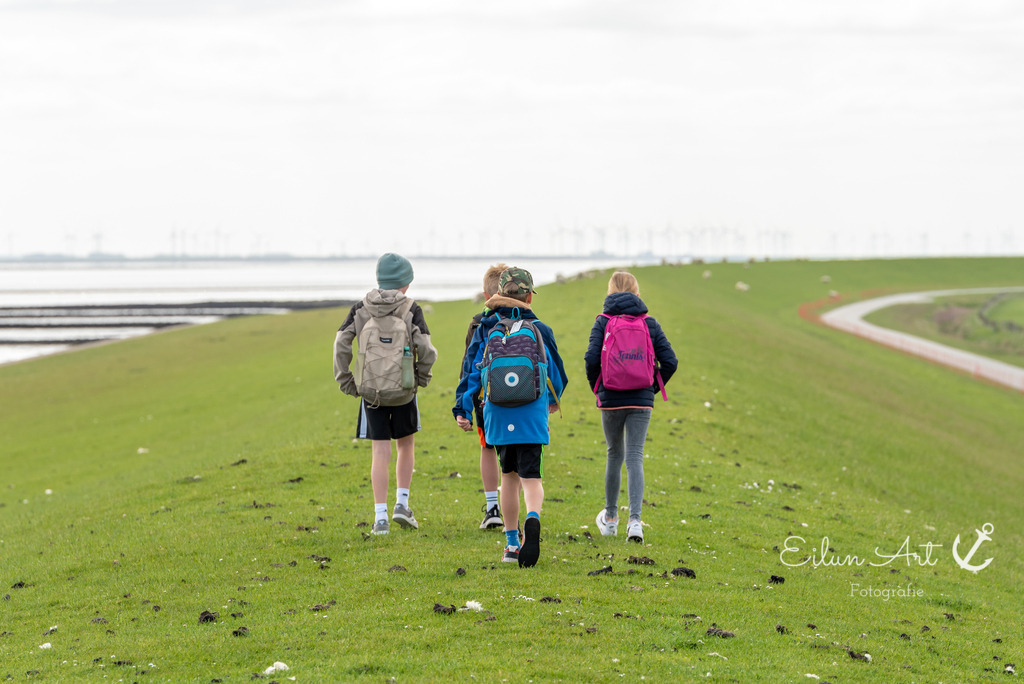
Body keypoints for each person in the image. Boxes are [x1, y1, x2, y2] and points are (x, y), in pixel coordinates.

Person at [459, 267, 567, 567]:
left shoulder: (489, 328)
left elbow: (474, 372)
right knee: (532, 479)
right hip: (532, 414)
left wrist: (464, 407)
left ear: (499, 295)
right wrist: (553, 400)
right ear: (530, 296)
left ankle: (510, 544)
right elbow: (558, 373)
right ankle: (532, 519)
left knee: (508, 478)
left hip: (498, 413)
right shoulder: (540, 329)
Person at [334, 253, 438, 535]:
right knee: (405, 445)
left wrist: (347, 381)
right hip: (404, 390)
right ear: (405, 283)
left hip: (371, 392)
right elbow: (427, 350)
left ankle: (380, 518)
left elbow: (341, 343)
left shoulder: (361, 307)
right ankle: (401, 505)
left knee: (379, 451)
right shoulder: (411, 309)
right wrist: (421, 377)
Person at [584, 271, 677, 543]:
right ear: (637, 292)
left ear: (610, 292)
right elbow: (670, 361)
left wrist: (598, 386)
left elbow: (591, 359)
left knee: (614, 454)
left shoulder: (602, 321)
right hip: (641, 399)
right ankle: (635, 521)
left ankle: (611, 519)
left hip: (610, 397)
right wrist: (652, 388)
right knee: (635, 456)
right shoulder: (649, 323)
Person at [452, 263, 510, 530]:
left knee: (487, 448)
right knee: (515, 452)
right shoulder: (525, 321)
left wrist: (462, 407)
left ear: (486, 297)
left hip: (485, 398)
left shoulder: (478, 323)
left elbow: (468, 366)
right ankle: (515, 509)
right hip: (520, 397)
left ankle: (492, 508)